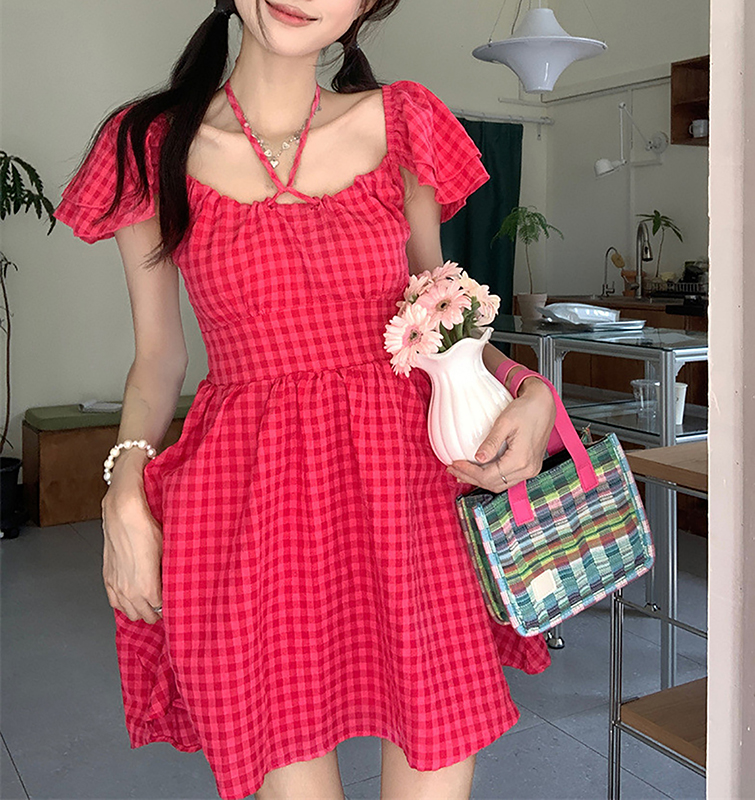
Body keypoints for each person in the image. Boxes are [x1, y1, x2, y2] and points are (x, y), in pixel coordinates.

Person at [54, 1, 558, 798]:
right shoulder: (148, 146)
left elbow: (444, 319)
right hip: (251, 503)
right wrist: (123, 493)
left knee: (436, 744)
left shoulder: (404, 123)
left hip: (410, 494)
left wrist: (530, 389)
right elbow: (158, 360)